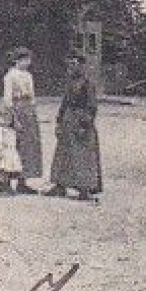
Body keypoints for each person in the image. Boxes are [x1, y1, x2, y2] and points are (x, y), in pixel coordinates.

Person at [45, 53, 103, 201]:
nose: (71, 68)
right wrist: (59, 121)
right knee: (63, 153)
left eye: (75, 65)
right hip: (68, 119)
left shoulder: (88, 84)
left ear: (82, 66)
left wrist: (85, 124)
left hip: (81, 120)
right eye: (70, 65)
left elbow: (92, 106)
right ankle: (60, 185)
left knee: (82, 155)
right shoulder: (70, 82)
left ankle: (84, 189)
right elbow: (64, 102)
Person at [1, 48, 41, 193]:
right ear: (17, 60)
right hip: (15, 110)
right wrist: (14, 118)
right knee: (12, 146)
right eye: (25, 59)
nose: (27, 62)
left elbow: (32, 96)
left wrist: (32, 111)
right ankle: (6, 182)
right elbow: (7, 99)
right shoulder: (10, 76)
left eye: (29, 60)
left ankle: (22, 181)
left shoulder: (28, 75)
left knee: (27, 147)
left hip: (27, 111)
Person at [0, 105, 24, 196]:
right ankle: (2, 188)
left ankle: (8, 186)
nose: (5, 121)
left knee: (10, 170)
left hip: (11, 153)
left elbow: (16, 139)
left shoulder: (11, 130)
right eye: (3, 118)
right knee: (3, 171)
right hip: (4, 153)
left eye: (8, 119)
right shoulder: (0, 131)